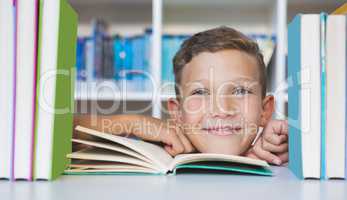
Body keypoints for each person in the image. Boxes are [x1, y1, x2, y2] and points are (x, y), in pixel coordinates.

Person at [74, 26, 288, 166]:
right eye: (200, 92)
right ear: (177, 112)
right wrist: (130, 122)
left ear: (265, 110)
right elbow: (49, 137)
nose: (222, 109)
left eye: (240, 91)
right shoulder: (154, 153)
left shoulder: (281, 152)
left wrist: (293, 142)